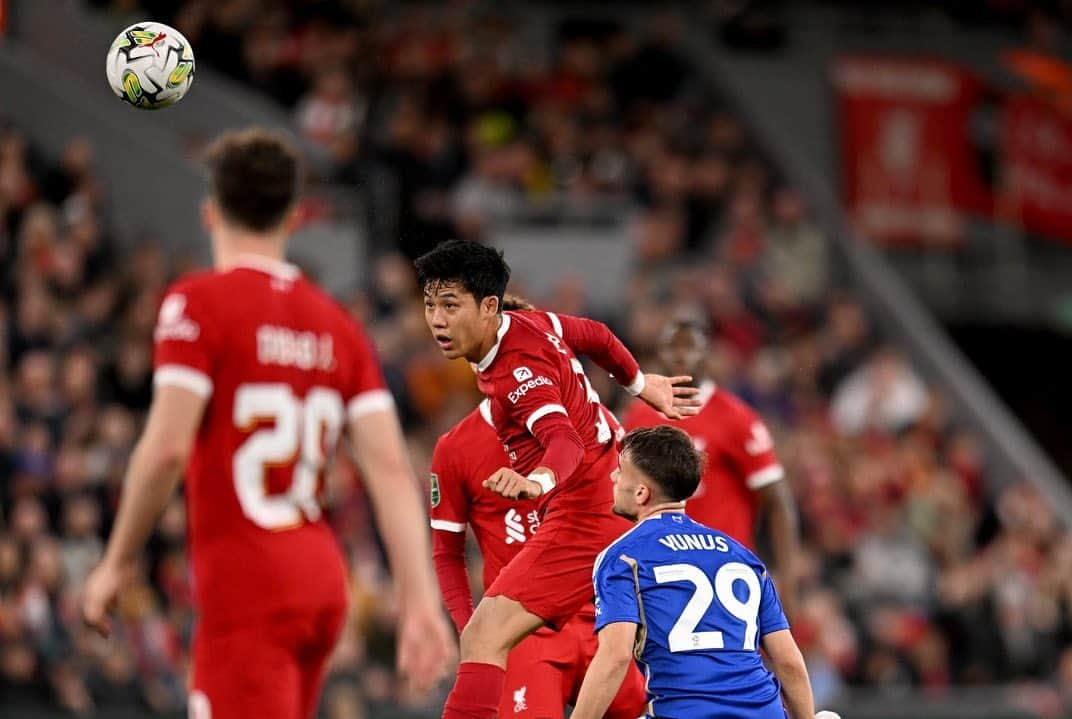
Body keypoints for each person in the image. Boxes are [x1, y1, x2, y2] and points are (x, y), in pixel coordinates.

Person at [80, 128, 454, 719]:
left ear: (209, 213)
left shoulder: (197, 304)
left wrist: (116, 562)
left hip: (248, 586)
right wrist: (419, 602)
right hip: (320, 580)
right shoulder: (339, 327)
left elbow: (165, 450)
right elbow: (389, 468)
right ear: (296, 217)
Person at [414, 239, 699, 719]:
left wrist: (538, 482)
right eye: (429, 306)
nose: (437, 320)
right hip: (610, 505)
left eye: (450, 306)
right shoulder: (533, 324)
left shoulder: (516, 374)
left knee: (484, 636)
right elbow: (594, 334)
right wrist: (640, 384)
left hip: (586, 514)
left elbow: (562, 440)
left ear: (489, 308)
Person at [431, 295, 646, 718]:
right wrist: (474, 633)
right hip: (527, 634)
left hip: (607, 623)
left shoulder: (596, 426)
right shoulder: (456, 449)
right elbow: (446, 552)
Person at [573, 426, 815, 719]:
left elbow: (615, 657)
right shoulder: (743, 557)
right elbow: (788, 663)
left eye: (620, 470)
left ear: (641, 493)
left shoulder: (623, 557)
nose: (613, 477)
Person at [623, 318, 801, 617]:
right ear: (658, 355)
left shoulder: (736, 418)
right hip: (659, 576)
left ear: (708, 355)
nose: (681, 356)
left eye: (690, 347)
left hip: (724, 575)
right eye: (671, 347)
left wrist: (789, 586)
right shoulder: (639, 416)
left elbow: (778, 500)